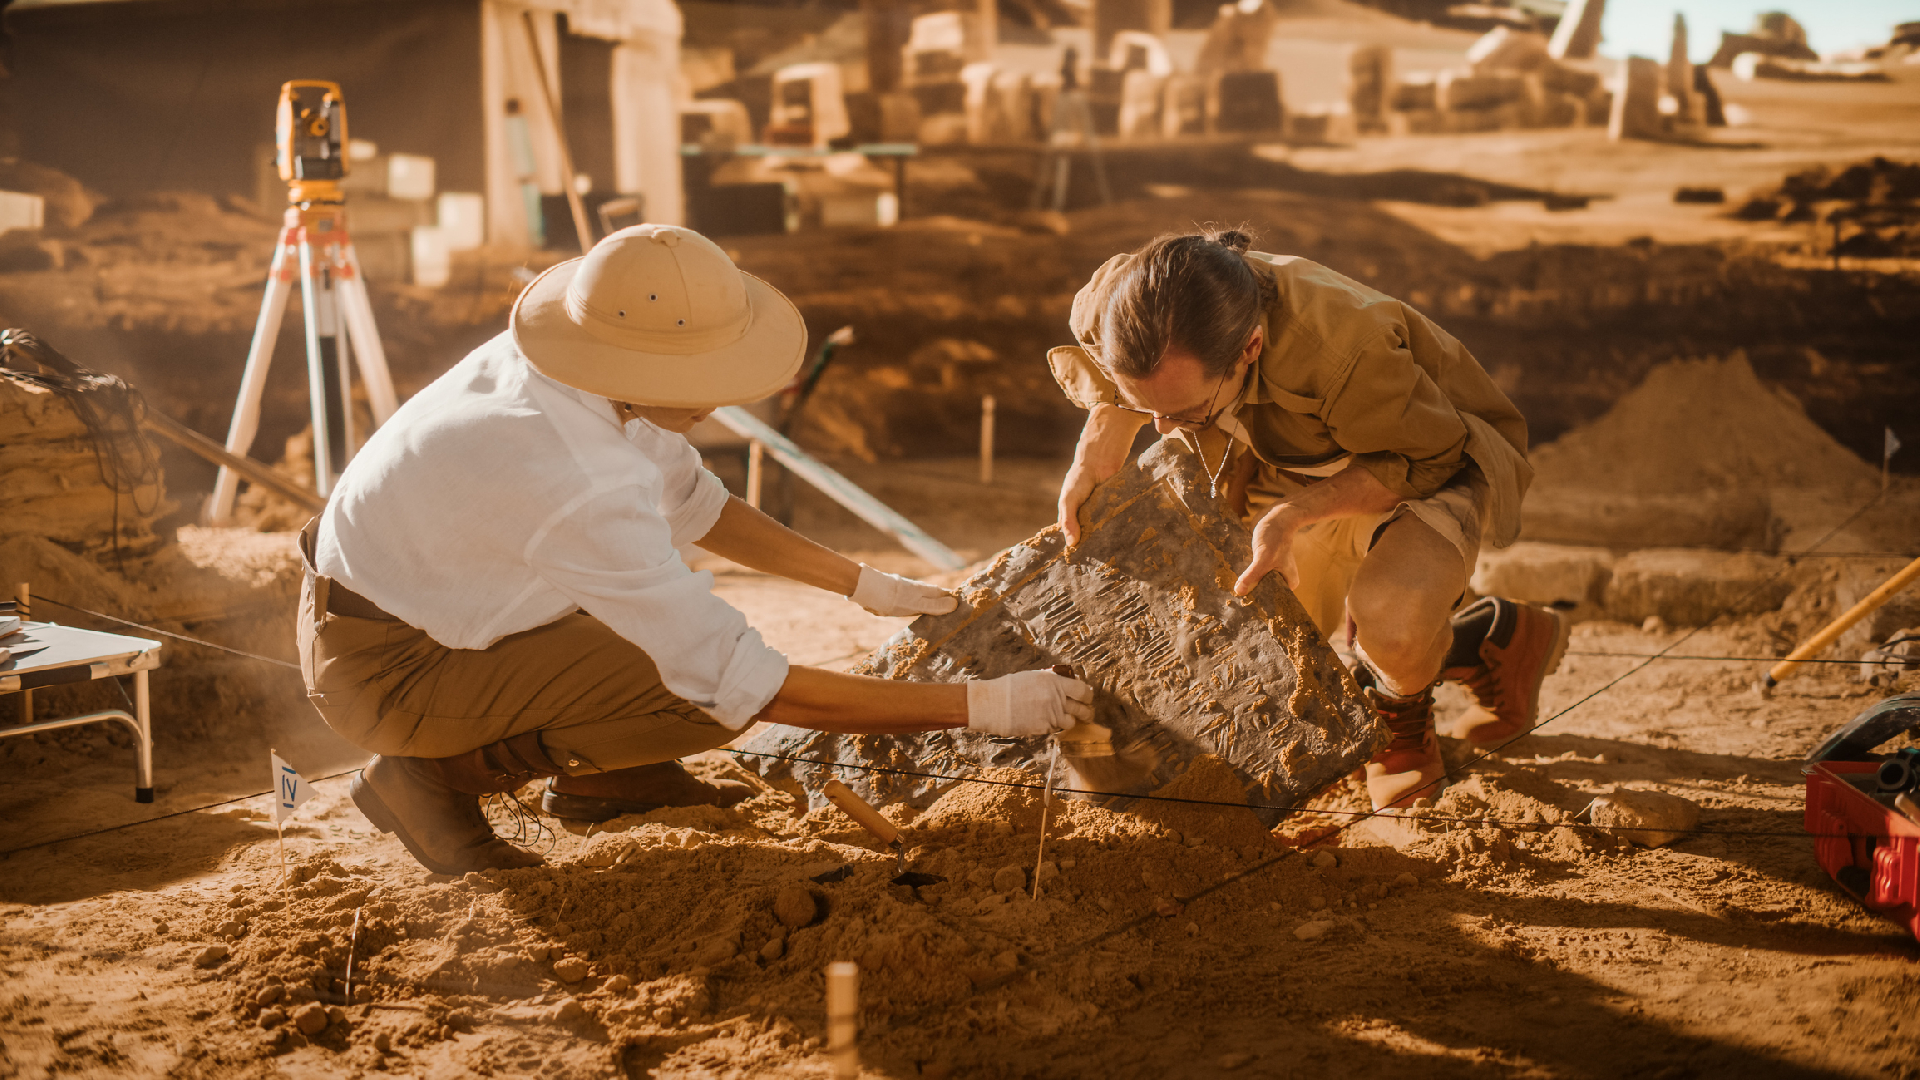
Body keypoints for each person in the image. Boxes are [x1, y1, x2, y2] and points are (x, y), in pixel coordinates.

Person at [298, 224, 1091, 876]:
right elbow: (744, 686)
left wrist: (861, 584)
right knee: (697, 696)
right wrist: (985, 707)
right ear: (635, 363)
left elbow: (694, 502)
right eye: (706, 373)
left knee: (674, 643)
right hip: (387, 667)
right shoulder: (578, 473)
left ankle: (605, 779)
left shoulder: (574, 369)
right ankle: (429, 779)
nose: (721, 395)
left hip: (410, 604)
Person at [1049, 228, 1567, 810]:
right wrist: (1102, 431)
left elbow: (1427, 456)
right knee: (1262, 652)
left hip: (1422, 452)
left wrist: (1290, 517)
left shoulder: (1346, 347)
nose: (1166, 430)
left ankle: (1402, 723)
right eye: (1153, 409)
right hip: (1292, 454)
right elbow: (1116, 373)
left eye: (1188, 410)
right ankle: (1497, 640)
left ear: (1250, 346)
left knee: (1390, 620)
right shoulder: (1124, 301)